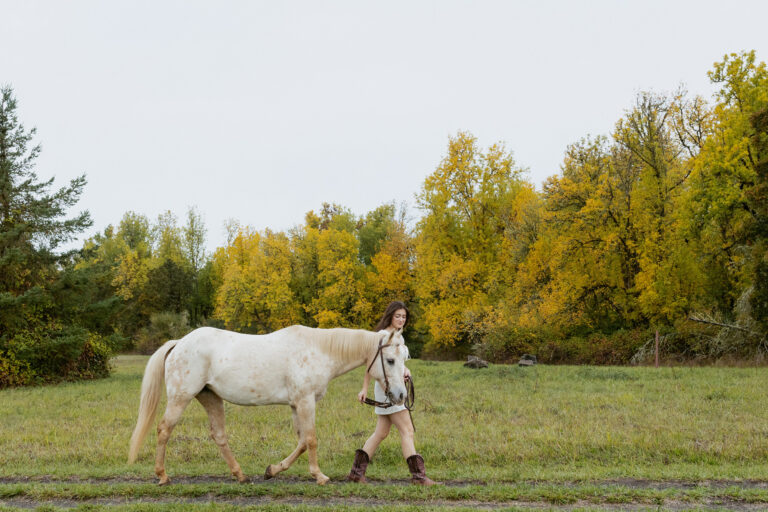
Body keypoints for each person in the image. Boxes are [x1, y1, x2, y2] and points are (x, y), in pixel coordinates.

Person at [346, 301, 437, 485]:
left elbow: (395, 362)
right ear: (390, 316)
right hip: (388, 389)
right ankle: (418, 477)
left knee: (381, 433)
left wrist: (405, 369)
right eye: (398, 316)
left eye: (404, 317)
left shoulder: (398, 337)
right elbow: (370, 364)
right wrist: (364, 388)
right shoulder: (382, 336)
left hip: (395, 386)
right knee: (407, 430)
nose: (401, 319)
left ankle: (356, 474)